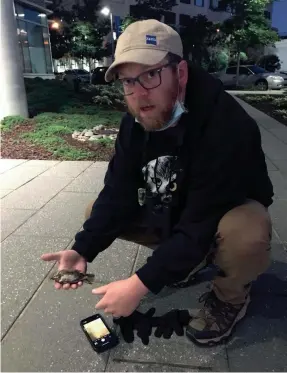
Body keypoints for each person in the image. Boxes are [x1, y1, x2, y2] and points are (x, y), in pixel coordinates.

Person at [41, 19, 274, 345]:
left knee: (247, 234)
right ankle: (184, 261)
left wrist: (140, 284)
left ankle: (231, 297)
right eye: (127, 81)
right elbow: (118, 192)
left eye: (150, 75)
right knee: (96, 210)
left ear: (179, 73)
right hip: (176, 206)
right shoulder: (135, 123)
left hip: (223, 211)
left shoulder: (226, 125)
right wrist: (83, 249)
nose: (138, 93)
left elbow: (200, 220)